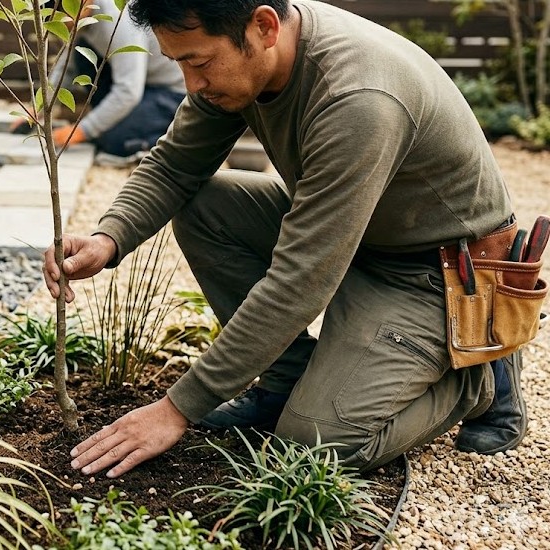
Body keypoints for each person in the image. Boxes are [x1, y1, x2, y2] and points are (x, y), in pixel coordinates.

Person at [42, 0, 529, 478]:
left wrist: (176, 409)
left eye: (200, 62)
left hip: (435, 274)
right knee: (209, 206)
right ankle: (285, 380)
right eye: (179, 64)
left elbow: (300, 280)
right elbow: (174, 166)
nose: (192, 84)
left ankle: (478, 372)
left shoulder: (358, 98)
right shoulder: (246, 60)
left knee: (316, 444)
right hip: (359, 237)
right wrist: (108, 238)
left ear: (264, 26)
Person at [18, 0, 186, 163]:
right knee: (81, 55)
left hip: (169, 92)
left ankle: (174, 134)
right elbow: (66, 67)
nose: (58, 28)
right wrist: (39, 107)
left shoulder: (118, 20)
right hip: (141, 85)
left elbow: (128, 91)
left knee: (112, 139)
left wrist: (81, 131)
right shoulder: (83, 20)